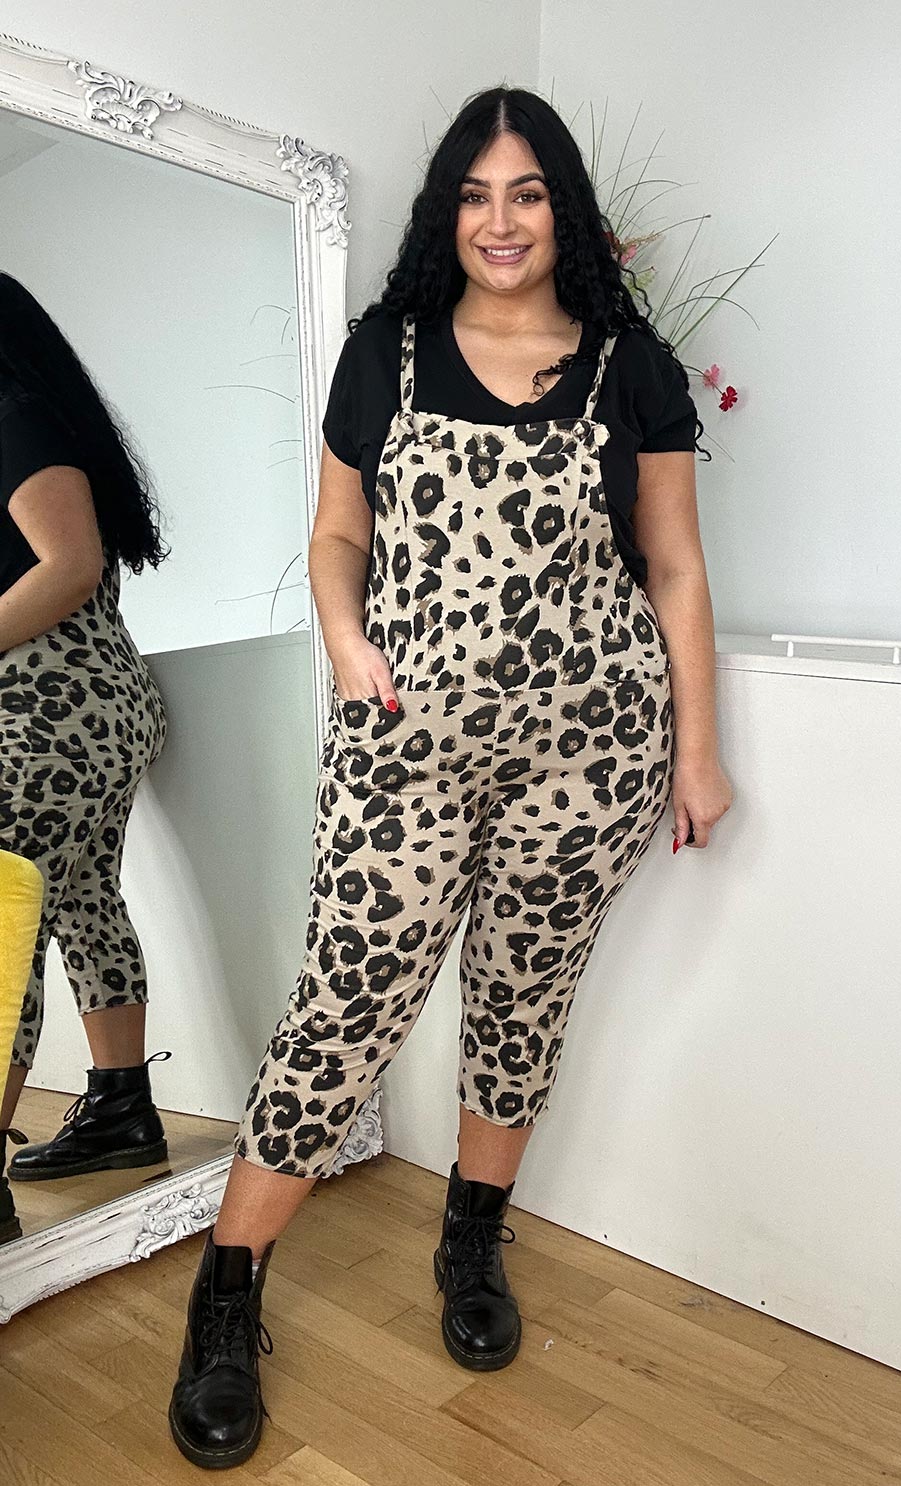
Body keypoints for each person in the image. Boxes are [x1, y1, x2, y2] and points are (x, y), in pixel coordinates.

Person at [168, 85, 733, 1471]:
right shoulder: (389, 353)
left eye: (527, 191)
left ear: (564, 210)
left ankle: (472, 1236)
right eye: (477, 194)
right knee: (343, 1005)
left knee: (521, 996)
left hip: (590, 746)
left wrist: (699, 749)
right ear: (447, 211)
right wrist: (351, 644)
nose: (500, 219)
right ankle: (229, 1291)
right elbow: (336, 535)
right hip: (402, 749)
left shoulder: (629, 367)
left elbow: (674, 568)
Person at [0, 273, 171, 1192]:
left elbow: (70, 564)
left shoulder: (8, 412)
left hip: (43, 709)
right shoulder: (37, 411)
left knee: (3, 923)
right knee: (81, 900)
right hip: (94, 702)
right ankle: (121, 1109)